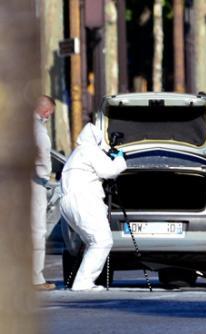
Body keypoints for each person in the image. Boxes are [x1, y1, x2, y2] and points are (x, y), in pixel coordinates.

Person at [60, 123, 127, 291]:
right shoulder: (90, 150)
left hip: (69, 202)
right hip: (84, 200)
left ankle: (81, 282)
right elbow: (109, 171)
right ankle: (83, 283)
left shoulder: (76, 153)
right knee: (102, 241)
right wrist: (119, 158)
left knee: (93, 242)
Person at [32, 95, 56, 290]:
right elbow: (42, 155)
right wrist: (45, 176)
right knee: (36, 230)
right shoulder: (38, 129)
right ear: (47, 112)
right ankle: (35, 278)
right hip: (33, 183)